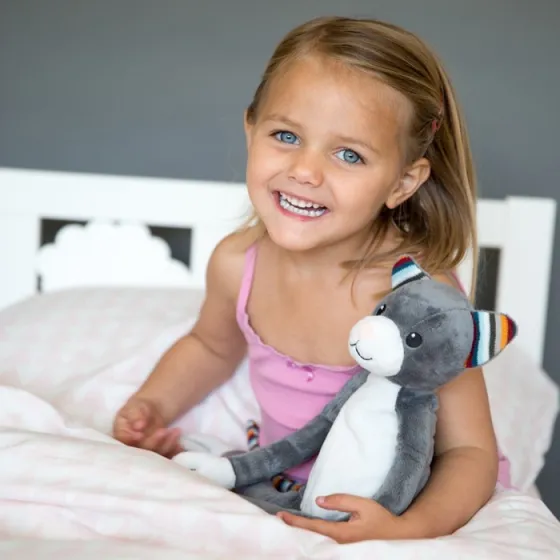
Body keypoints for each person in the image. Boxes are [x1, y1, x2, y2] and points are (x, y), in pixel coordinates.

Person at [113, 16, 510, 543]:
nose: (305, 171)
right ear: (250, 129)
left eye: (349, 154)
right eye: (286, 135)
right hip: (280, 480)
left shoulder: (416, 296)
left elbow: (470, 451)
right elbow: (211, 346)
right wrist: (152, 407)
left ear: (403, 181)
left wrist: (405, 528)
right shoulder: (237, 262)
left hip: (397, 499)